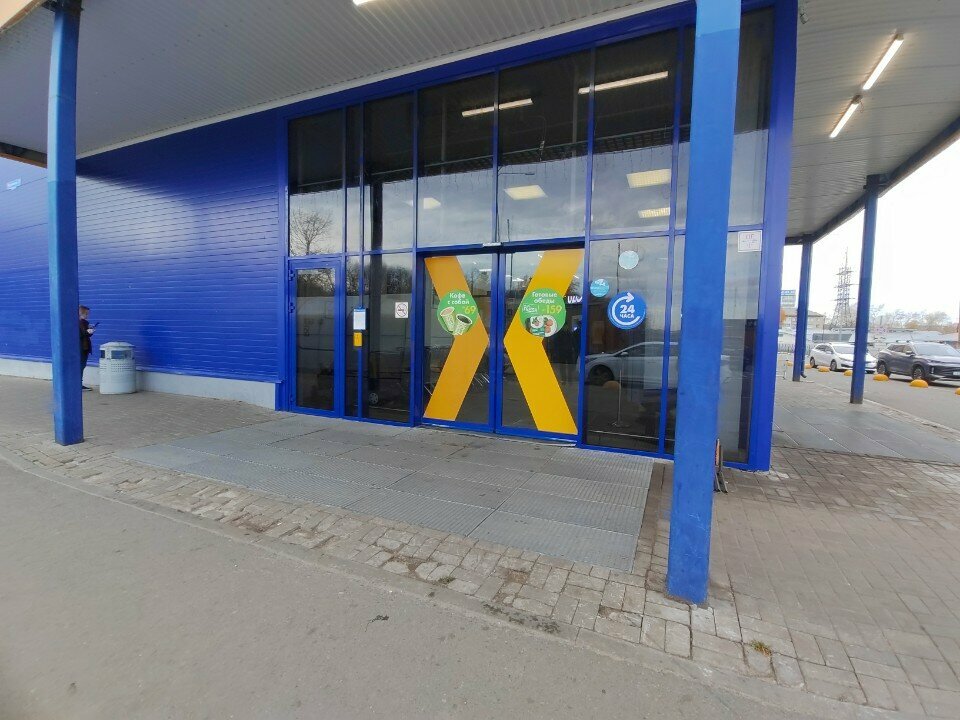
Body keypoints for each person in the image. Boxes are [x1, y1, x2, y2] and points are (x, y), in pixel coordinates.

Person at [79, 305, 95, 391]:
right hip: (81, 347)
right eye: (86, 314)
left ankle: (79, 384)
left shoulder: (85, 322)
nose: (87, 315)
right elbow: (80, 335)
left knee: (82, 365)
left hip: (84, 347)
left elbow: (86, 334)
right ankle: (78, 385)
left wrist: (90, 332)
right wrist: (87, 332)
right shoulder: (77, 323)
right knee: (80, 366)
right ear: (81, 313)